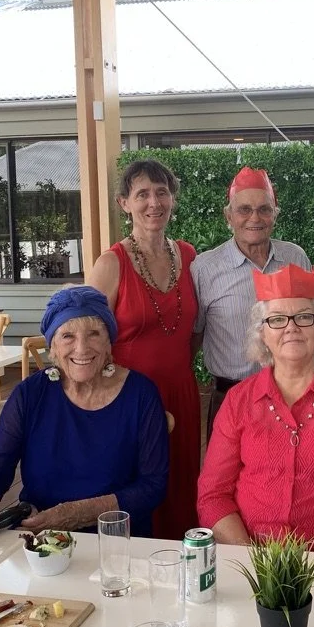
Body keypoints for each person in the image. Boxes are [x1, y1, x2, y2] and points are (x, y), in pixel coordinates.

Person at [0, 287, 169, 554]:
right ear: (53, 346)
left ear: (108, 342)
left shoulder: (141, 394)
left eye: (94, 334)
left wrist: (77, 513)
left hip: (117, 545)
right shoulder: (31, 394)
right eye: (68, 336)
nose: (82, 348)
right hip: (41, 545)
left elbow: (153, 486)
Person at [197, 264, 314, 553]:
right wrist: (252, 559)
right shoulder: (238, 400)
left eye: (304, 317)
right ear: (262, 334)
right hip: (249, 556)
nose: (291, 328)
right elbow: (212, 496)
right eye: (277, 319)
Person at [90, 158, 199, 540]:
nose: (154, 203)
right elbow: (91, 340)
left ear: (172, 199)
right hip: (129, 398)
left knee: (182, 485)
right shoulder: (110, 264)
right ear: (125, 203)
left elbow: (195, 329)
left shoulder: (188, 255)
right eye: (142, 194)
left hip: (181, 391)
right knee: (137, 488)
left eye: (162, 192)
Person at [191, 167, 311, 438]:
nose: (254, 218)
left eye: (264, 209)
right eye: (244, 210)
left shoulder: (295, 258)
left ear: (275, 215)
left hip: (290, 396)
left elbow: (311, 324)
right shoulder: (205, 268)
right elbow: (194, 336)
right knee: (226, 478)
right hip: (230, 397)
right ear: (228, 216)